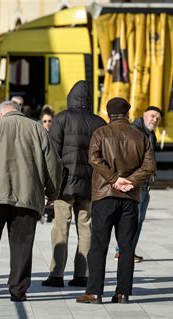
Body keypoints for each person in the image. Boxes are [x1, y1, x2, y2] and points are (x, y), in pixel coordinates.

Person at [0, 100, 62, 302]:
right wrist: (52, 192)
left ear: (1, 114)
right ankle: (18, 291)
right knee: (22, 245)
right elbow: (53, 165)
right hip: (27, 197)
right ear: (20, 111)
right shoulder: (38, 130)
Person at [77, 97, 155, 304]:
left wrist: (113, 179)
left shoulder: (100, 133)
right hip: (130, 198)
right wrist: (130, 181)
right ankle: (122, 293)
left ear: (108, 113)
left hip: (104, 196)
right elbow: (149, 167)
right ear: (128, 113)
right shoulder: (140, 136)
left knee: (98, 246)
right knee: (127, 246)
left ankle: (94, 292)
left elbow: (93, 158)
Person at [42, 80, 106, 288]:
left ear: (70, 97)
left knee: (61, 228)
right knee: (85, 227)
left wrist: (48, 185)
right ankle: (82, 275)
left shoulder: (60, 119)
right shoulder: (99, 122)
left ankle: (56, 275)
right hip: (88, 186)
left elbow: (52, 155)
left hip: (64, 185)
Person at [114, 106, 163, 262]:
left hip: (145, 184)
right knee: (132, 219)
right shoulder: (135, 131)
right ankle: (121, 252)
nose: (155, 119)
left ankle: (128, 252)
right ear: (144, 115)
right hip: (136, 183)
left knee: (138, 220)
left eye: (158, 118)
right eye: (152, 116)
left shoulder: (150, 134)